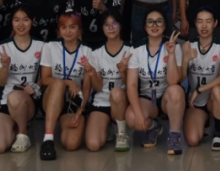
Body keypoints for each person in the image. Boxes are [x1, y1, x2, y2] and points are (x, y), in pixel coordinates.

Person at [126, 11, 186, 155]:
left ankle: (174, 136)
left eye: (159, 21)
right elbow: (131, 85)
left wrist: (171, 54)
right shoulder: (136, 49)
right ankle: (153, 127)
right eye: (150, 22)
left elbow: (173, 81)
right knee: (132, 118)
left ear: (165, 26)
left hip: (167, 98)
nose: (155, 25)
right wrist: (139, 114)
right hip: (147, 98)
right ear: (145, 26)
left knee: (176, 90)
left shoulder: (174, 46)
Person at [0, 7, 45, 154]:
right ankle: (12, 126)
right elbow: (0, 82)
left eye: (25, 20)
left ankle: (23, 134)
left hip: (27, 101)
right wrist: (5, 66)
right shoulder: (2, 47)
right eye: (16, 20)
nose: (21, 24)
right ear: (11, 22)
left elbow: (45, 77)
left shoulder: (42, 45)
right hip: (5, 101)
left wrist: (35, 87)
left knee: (15, 97)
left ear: (32, 22)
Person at [38, 13, 90, 160]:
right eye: (63, 27)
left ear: (79, 29)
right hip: (51, 98)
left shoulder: (87, 50)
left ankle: (61, 122)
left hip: (73, 103)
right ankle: (48, 139)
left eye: (72, 27)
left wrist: (80, 111)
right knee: (58, 83)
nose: (68, 31)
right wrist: (67, 82)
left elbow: (87, 87)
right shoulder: (50, 46)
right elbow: (45, 79)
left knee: (71, 144)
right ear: (59, 30)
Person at [83, 11, 133, 153]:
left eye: (114, 23)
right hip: (102, 101)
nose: (111, 28)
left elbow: (132, 85)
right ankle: (109, 126)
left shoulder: (130, 50)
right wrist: (92, 74)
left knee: (116, 93)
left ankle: (121, 132)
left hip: (123, 101)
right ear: (102, 28)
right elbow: (98, 87)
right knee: (93, 145)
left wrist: (123, 71)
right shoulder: (96, 53)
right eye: (106, 25)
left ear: (121, 26)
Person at [181, 7, 220, 150]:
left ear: (215, 23)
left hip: (212, 98)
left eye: (208, 21)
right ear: (195, 23)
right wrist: (185, 61)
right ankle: (205, 120)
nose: (204, 26)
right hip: (196, 102)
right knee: (193, 140)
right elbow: (180, 78)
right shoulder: (188, 46)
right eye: (200, 21)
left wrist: (199, 90)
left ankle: (218, 134)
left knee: (218, 91)